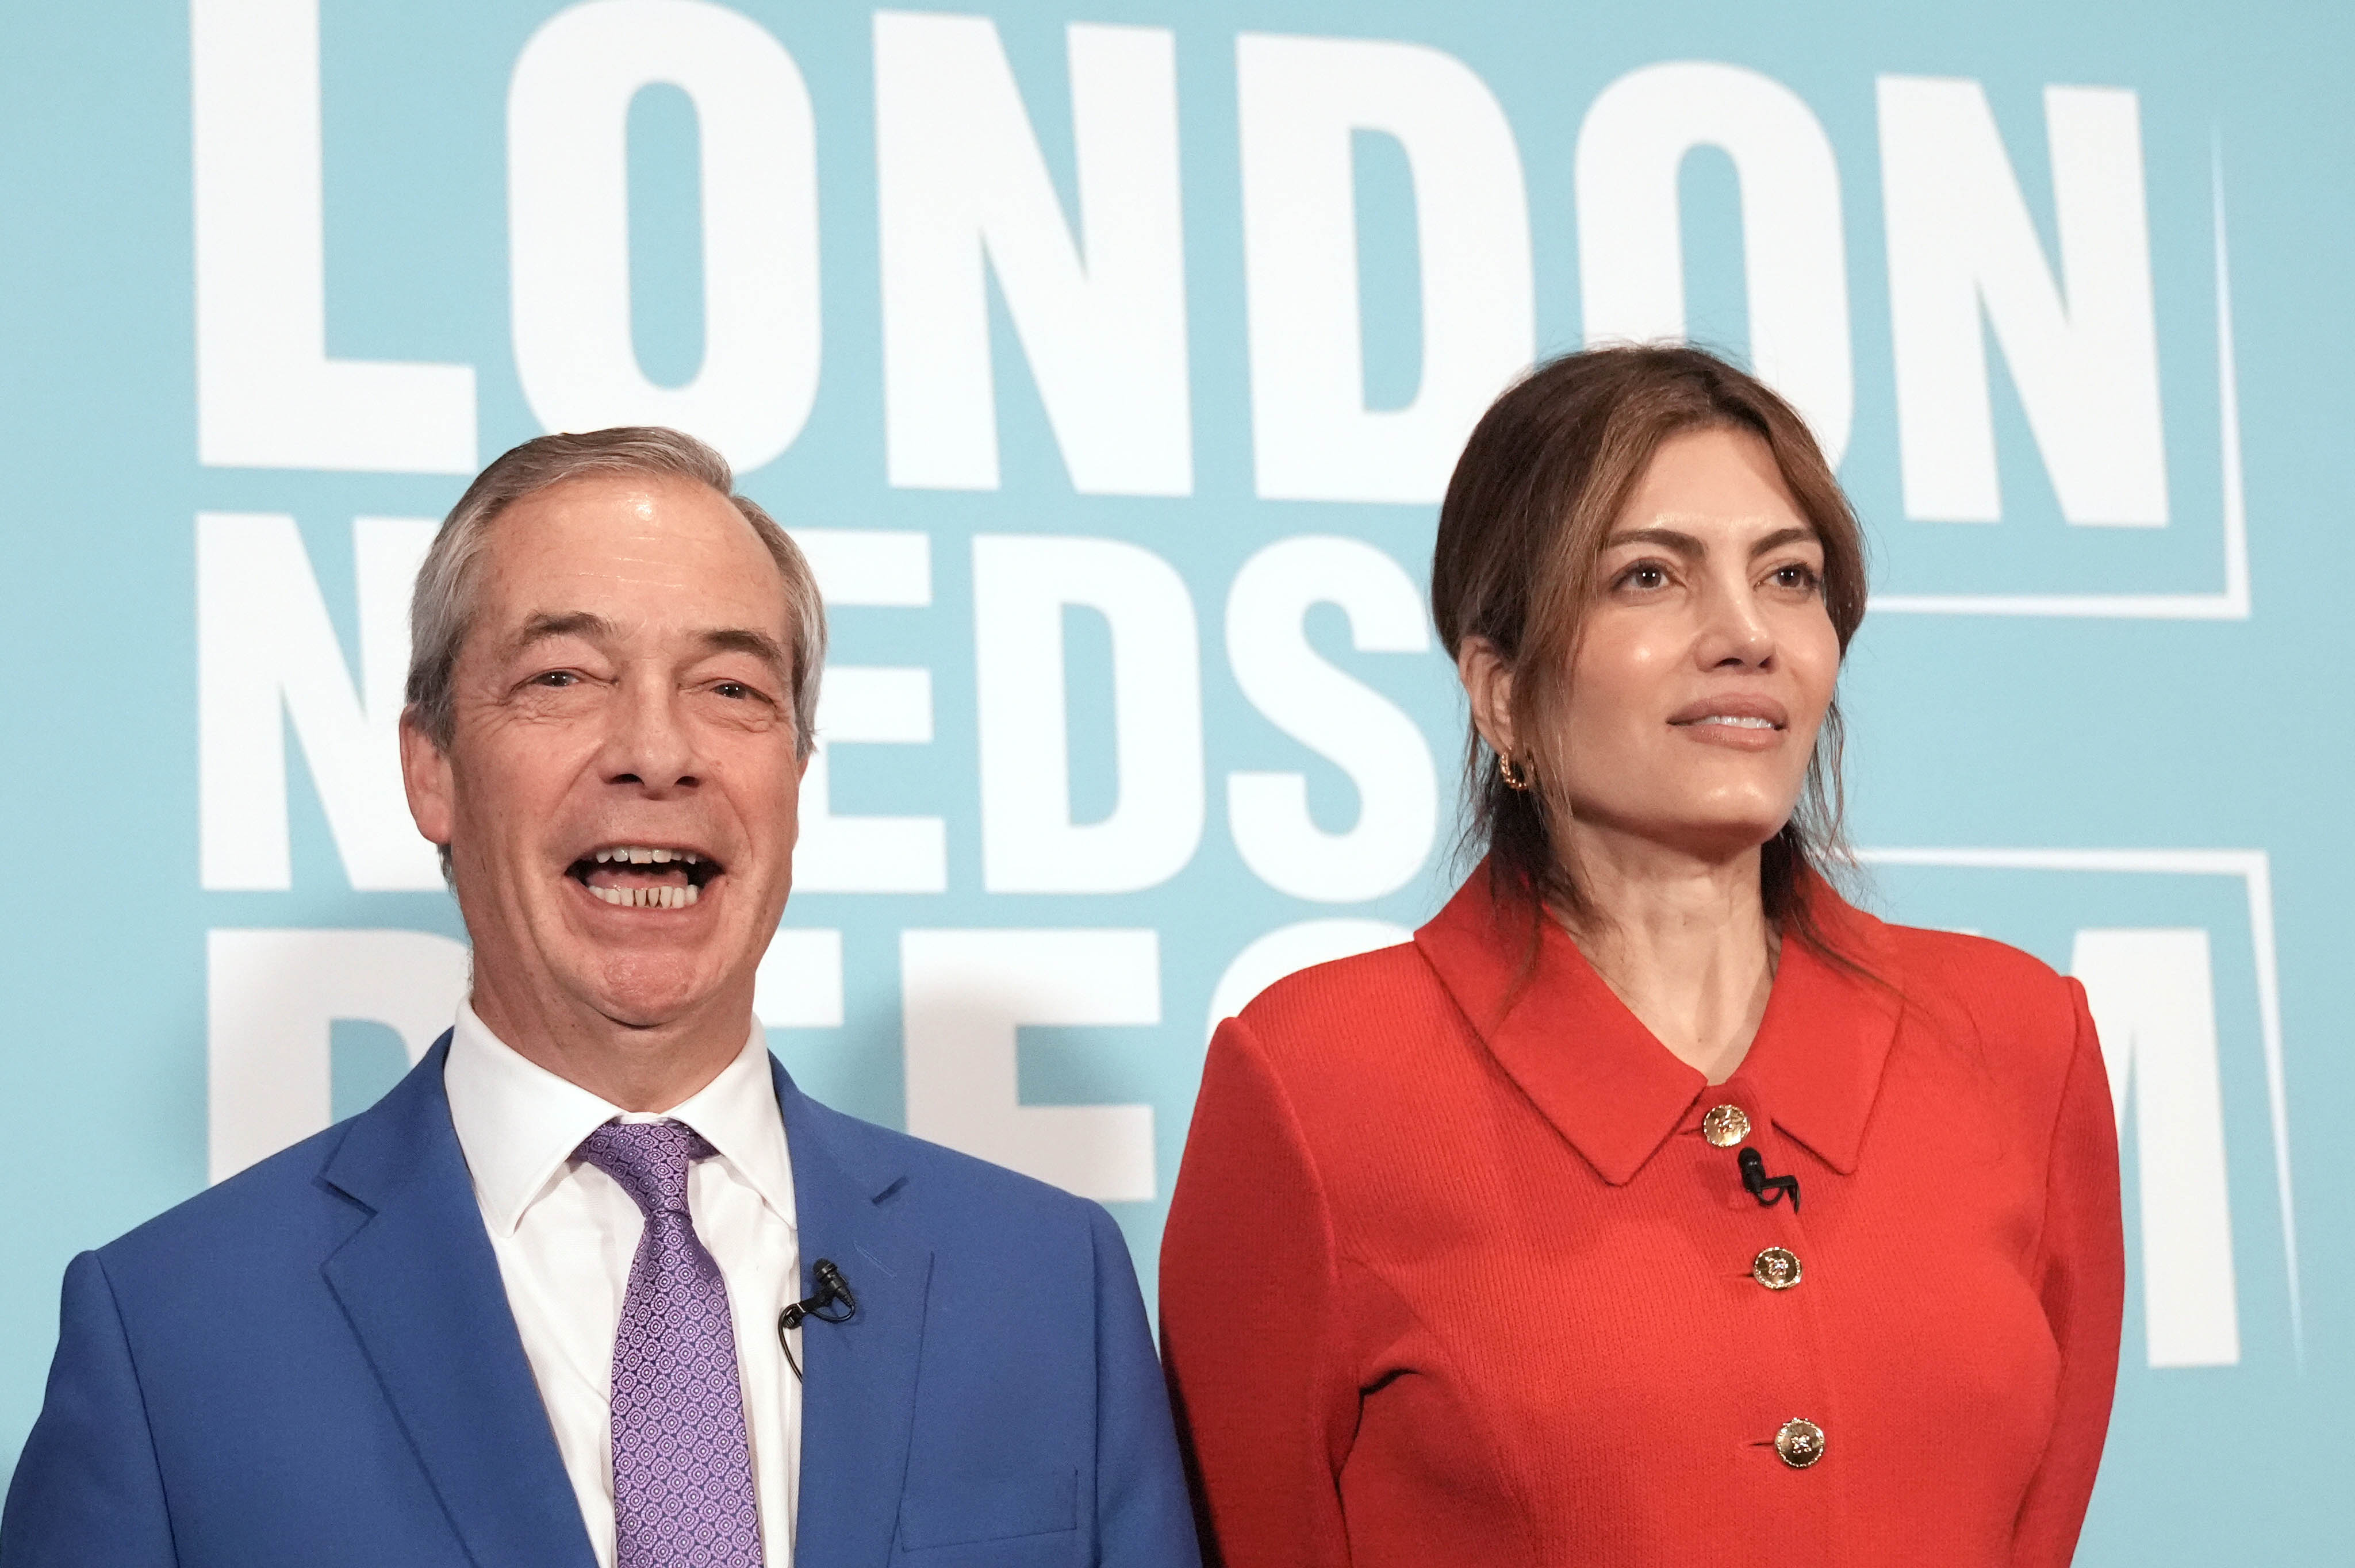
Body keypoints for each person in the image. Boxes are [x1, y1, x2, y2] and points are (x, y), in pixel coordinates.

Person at [3, 428, 1198, 1568]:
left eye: (730, 687)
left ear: (795, 773)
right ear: (432, 768)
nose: (658, 751)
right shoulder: (172, 1334)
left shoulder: (1047, 1286)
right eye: (564, 675)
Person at [1160, 347, 2124, 1567]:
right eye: (1648, 575)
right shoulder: (1315, 1076)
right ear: (1500, 692)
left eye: (1788, 576)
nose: (1744, 634)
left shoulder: (2016, 1034)